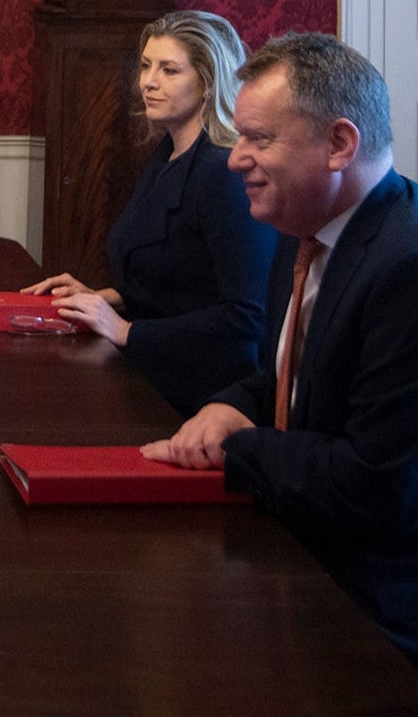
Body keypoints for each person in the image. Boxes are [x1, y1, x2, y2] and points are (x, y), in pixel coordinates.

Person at [142, 33, 418, 663]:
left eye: (259, 139)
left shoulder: (405, 267)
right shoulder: (302, 229)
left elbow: (373, 487)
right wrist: (230, 404)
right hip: (302, 551)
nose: (235, 158)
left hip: (372, 611)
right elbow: (291, 379)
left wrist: (238, 448)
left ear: (340, 145)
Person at [24, 11, 277, 416]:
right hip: (156, 371)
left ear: (209, 83)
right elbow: (181, 280)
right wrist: (104, 299)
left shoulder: (224, 172)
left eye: (169, 70)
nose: (149, 81)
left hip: (207, 395)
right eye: (145, 66)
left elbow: (247, 317)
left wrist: (124, 329)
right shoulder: (167, 155)